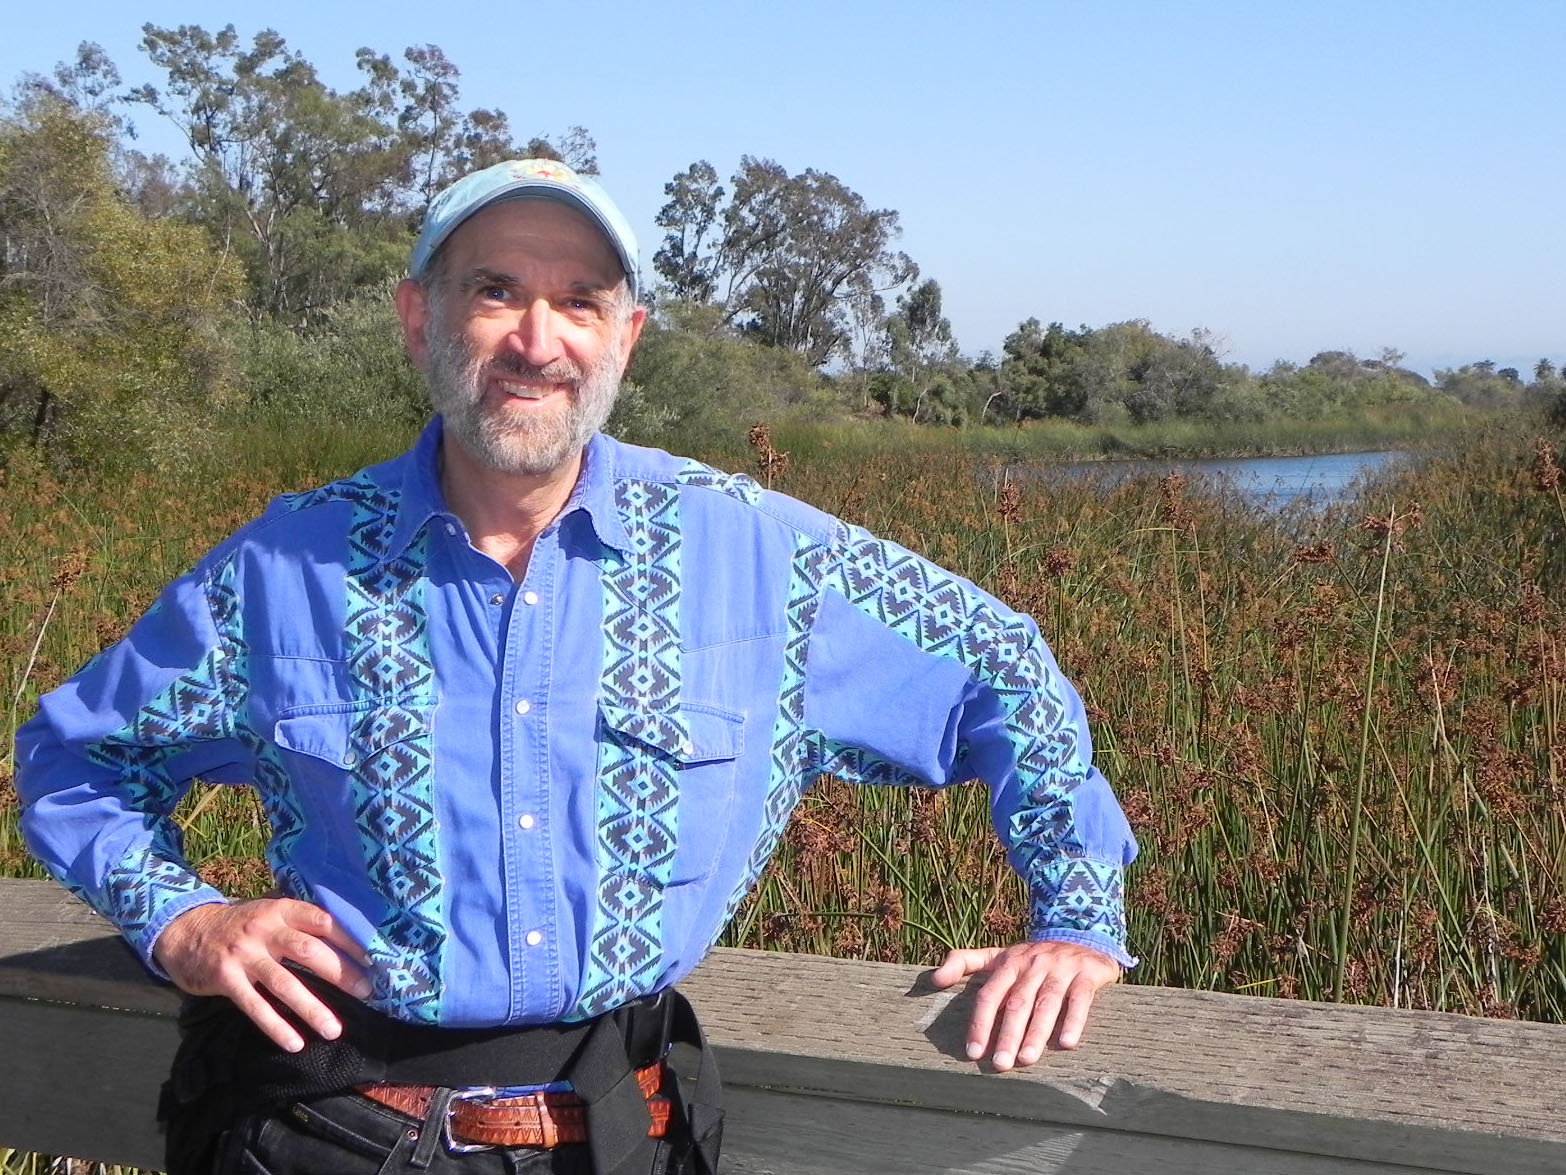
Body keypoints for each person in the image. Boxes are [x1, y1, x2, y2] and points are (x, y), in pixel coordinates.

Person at [15, 158, 1137, 1175]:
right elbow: (75, 759)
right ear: (420, 318)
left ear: (626, 336)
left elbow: (1003, 666)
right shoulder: (282, 566)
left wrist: (1075, 915)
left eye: (580, 301)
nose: (536, 339)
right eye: (495, 290)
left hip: (624, 1133)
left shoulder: (761, 555)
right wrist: (182, 922)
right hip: (324, 1134)